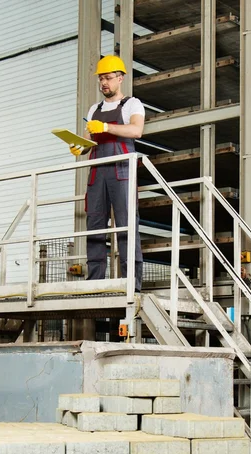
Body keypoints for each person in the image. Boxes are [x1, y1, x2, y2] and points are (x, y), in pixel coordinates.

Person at [69, 55, 144, 292]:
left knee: (126, 224)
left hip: (121, 169)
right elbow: (89, 140)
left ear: (120, 78)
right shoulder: (95, 109)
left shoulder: (133, 104)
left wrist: (106, 127)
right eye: (101, 78)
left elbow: (136, 130)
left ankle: (132, 283)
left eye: (109, 78)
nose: (104, 83)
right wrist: (78, 146)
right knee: (96, 226)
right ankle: (94, 283)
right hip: (97, 169)